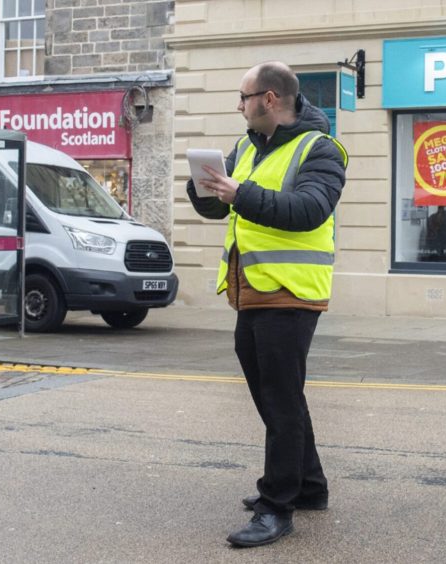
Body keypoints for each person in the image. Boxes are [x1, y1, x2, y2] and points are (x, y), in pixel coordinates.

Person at [186, 61, 347, 548]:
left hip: (291, 291)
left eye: (243, 96)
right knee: (281, 396)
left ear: (270, 98)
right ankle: (311, 486)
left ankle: (277, 505)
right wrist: (203, 189)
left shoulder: (322, 149)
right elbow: (226, 207)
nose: (238, 105)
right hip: (249, 289)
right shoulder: (246, 148)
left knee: (279, 401)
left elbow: (308, 210)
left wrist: (241, 192)